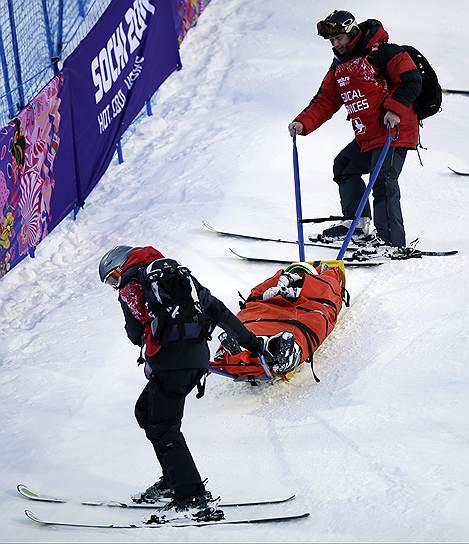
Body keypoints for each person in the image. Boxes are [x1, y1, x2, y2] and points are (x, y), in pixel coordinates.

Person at [98, 245, 264, 520]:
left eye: (112, 279)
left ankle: (191, 495)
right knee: (146, 411)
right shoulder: (178, 274)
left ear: (119, 267)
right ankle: (174, 477)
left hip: (169, 362)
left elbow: (134, 332)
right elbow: (217, 309)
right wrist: (251, 343)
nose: (116, 284)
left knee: (163, 425)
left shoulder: (131, 285)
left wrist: (148, 334)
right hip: (196, 358)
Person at [288, 10, 422, 249]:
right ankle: (357, 225)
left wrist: (394, 109)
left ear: (352, 32)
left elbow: (412, 79)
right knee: (344, 166)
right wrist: (303, 122)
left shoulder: (384, 52)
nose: (335, 44)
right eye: (332, 40)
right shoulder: (340, 65)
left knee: (383, 180)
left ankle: (392, 243)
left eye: (339, 38)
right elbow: (326, 100)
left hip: (394, 130)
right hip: (368, 134)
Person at [211, 261, 347, 384]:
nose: (298, 276)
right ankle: (249, 347)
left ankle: (286, 349)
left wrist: (296, 292)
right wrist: (269, 294)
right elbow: (254, 299)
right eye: (295, 272)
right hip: (269, 308)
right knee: (249, 320)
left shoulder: (318, 286)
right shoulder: (277, 283)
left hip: (302, 310)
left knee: (313, 321)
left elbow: (323, 300)